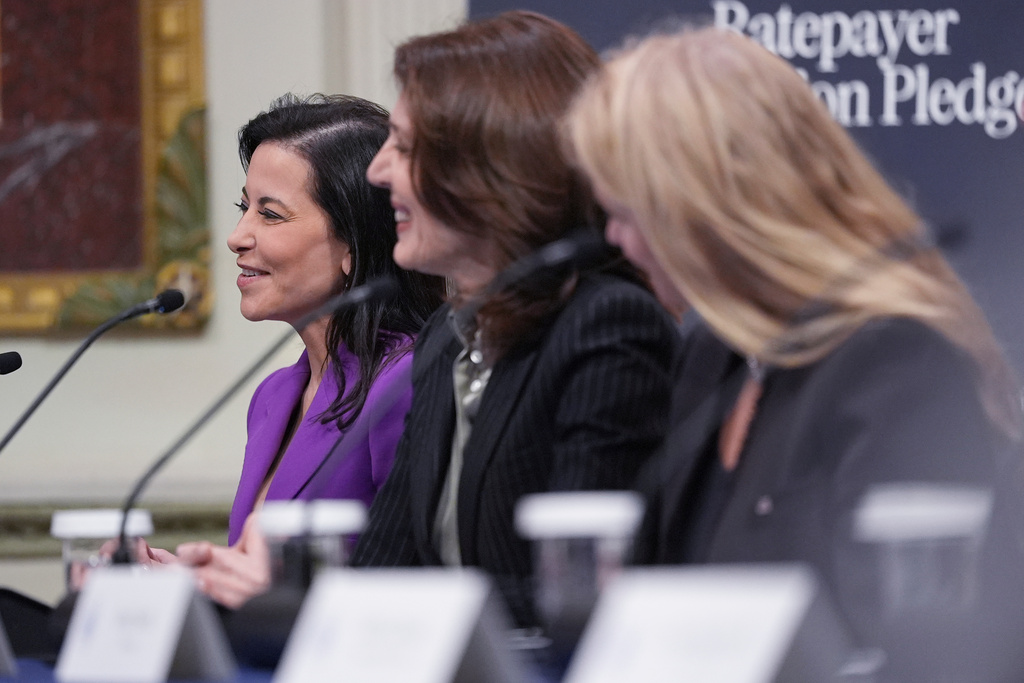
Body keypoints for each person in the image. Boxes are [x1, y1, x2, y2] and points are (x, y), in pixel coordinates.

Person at [566, 26, 1024, 681]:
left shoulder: (892, 361)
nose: (615, 238)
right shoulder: (711, 351)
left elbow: (930, 657)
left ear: (710, 207)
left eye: (629, 213)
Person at [350, 11, 683, 629]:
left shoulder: (607, 325)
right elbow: (384, 567)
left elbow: (578, 597)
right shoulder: (445, 341)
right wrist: (256, 592)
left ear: (483, 168)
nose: (377, 171)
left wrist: (411, 614)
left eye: (401, 145)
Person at [150, 94, 443, 608]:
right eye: (245, 208)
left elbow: (417, 586)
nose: (238, 237)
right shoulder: (274, 394)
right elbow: (261, 577)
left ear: (354, 241)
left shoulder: (408, 381)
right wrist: (186, 582)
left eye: (271, 214)